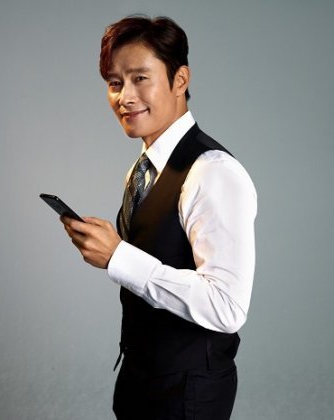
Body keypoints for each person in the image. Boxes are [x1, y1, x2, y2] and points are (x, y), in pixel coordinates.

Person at [61, 15, 257, 420]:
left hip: (188, 395)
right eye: (115, 83)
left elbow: (227, 307)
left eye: (140, 78)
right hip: (141, 383)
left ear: (180, 79)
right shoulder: (141, 170)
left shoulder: (212, 172)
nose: (125, 97)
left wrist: (119, 257)